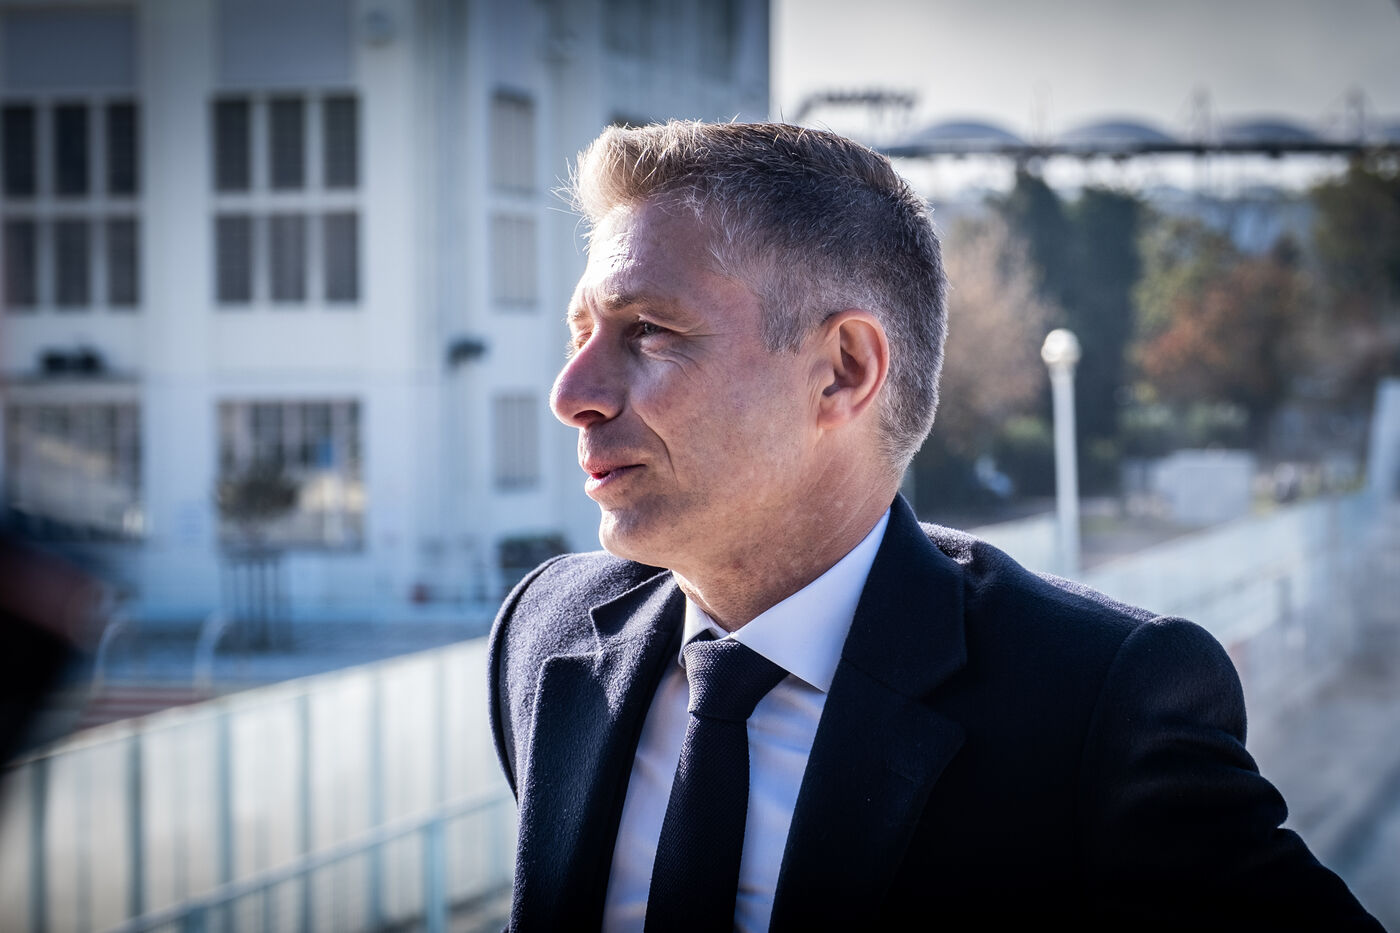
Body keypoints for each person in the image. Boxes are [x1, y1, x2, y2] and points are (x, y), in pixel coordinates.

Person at [487, 121, 1380, 931]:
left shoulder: (1098, 710)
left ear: (844, 370)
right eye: (580, 333)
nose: (572, 393)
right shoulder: (544, 637)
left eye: (647, 331)